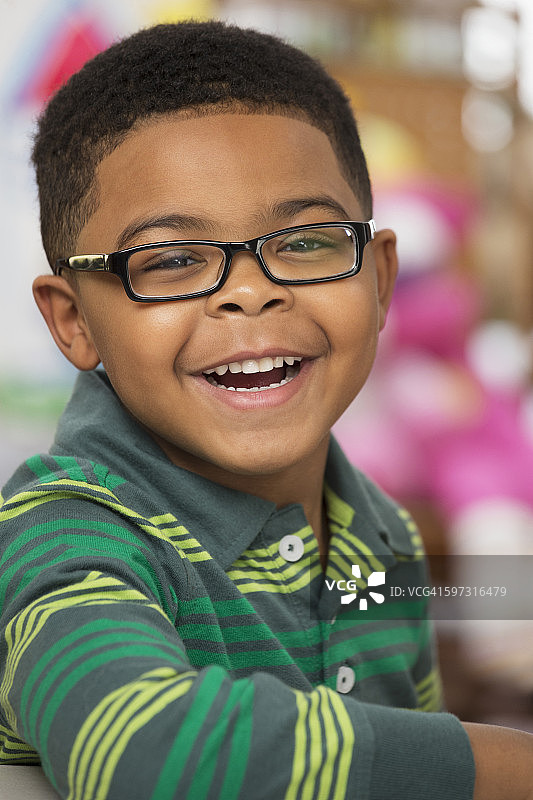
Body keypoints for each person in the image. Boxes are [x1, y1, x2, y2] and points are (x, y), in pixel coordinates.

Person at [0, 20, 532, 800]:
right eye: (173, 260)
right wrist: (506, 764)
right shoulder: (66, 532)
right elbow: (144, 752)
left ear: (380, 281)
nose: (250, 290)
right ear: (74, 322)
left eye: (307, 241)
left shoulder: (384, 536)